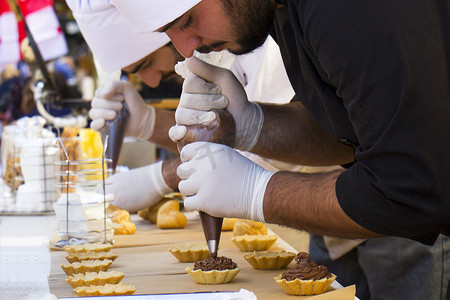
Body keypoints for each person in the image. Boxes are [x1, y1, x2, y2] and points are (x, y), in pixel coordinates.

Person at [107, 1, 450, 299]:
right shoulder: (280, 12)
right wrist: (249, 126)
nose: (186, 49)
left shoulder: (344, 8)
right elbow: (348, 133)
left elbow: (406, 189)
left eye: (187, 20)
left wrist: (258, 193)